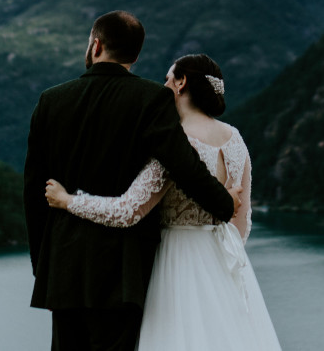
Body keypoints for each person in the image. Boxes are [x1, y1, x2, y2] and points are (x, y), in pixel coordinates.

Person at [26, 12, 239, 351]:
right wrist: (224, 203)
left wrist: (44, 263)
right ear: (135, 55)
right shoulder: (151, 98)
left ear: (96, 45)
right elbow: (183, 164)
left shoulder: (51, 100)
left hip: (64, 266)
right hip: (122, 269)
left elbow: (35, 190)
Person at [44, 53, 282, 351]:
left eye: (169, 78)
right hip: (224, 261)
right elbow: (242, 221)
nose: (164, 85)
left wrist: (68, 201)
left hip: (176, 261)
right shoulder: (235, 139)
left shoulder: (175, 143)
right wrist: (222, 264)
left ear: (181, 83)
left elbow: (128, 210)